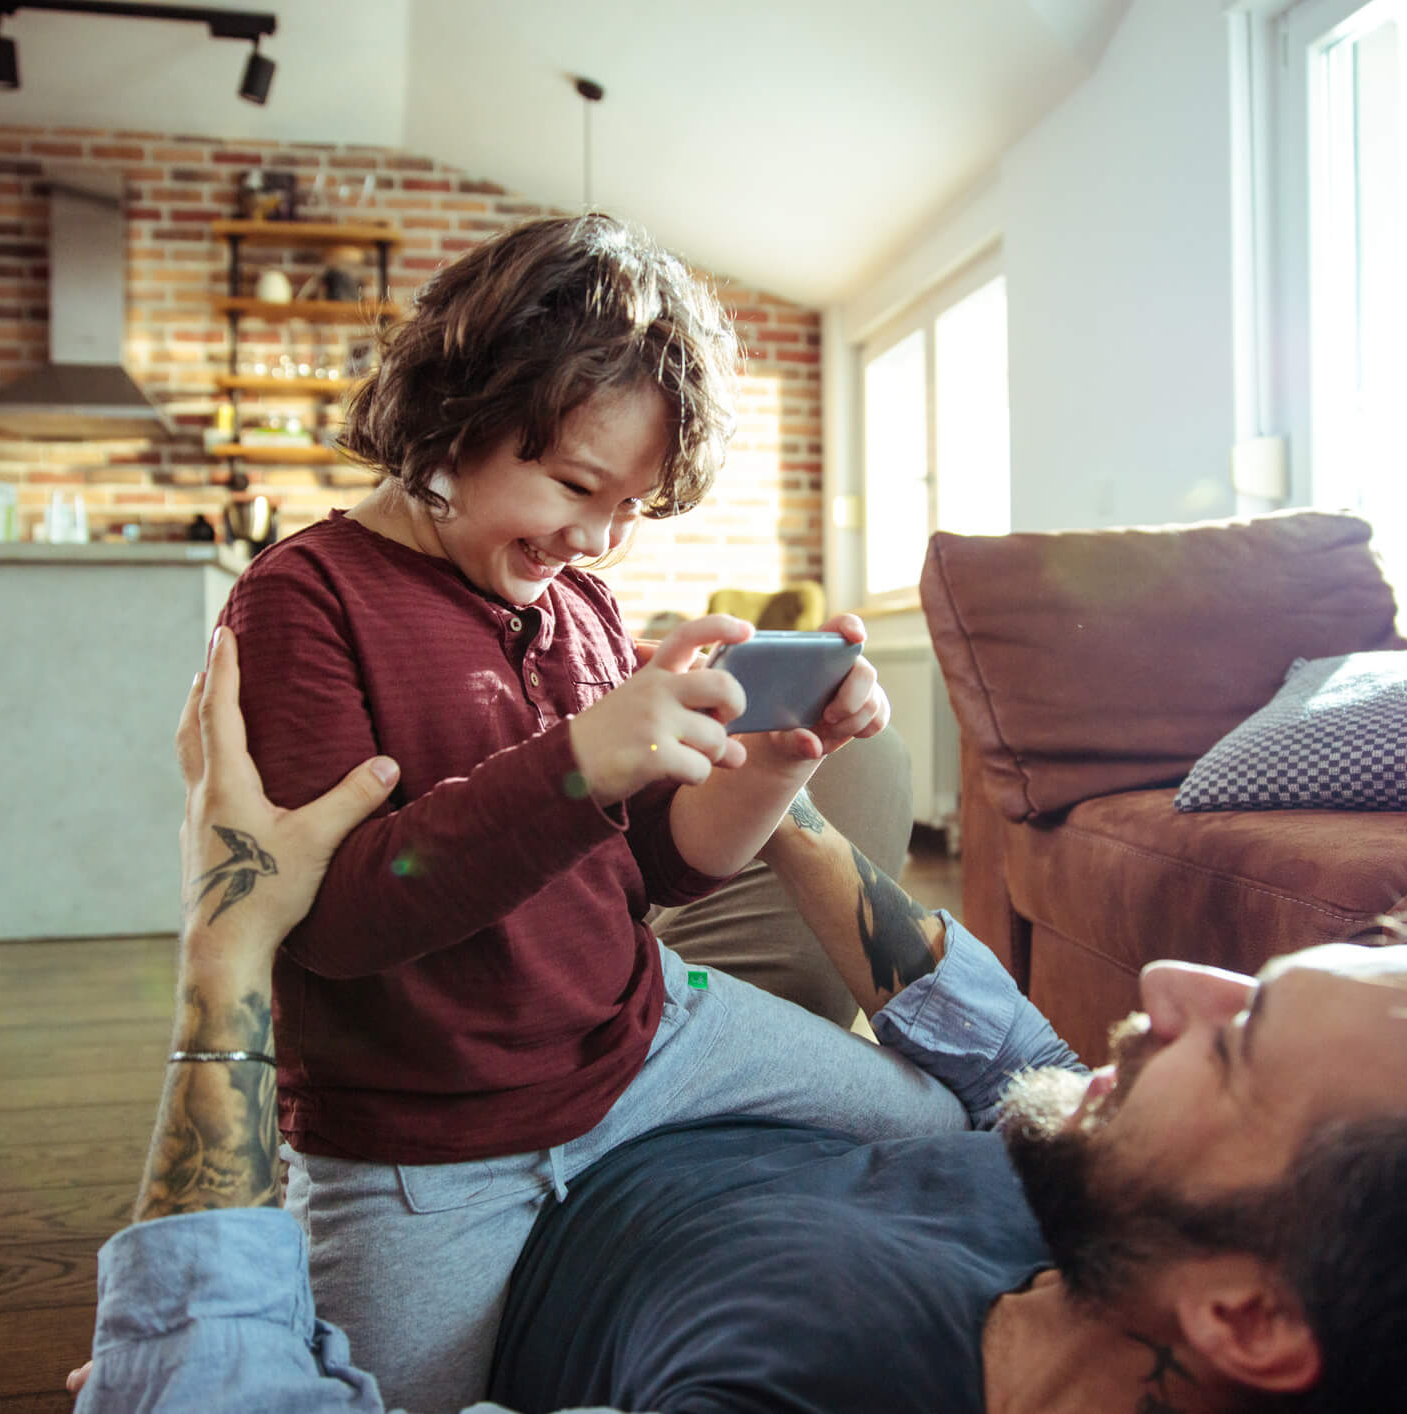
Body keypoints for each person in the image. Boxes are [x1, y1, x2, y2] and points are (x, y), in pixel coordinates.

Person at [73, 630, 1407, 1414]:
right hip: (692, 1029)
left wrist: (230, 949)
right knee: (842, 777)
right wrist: (790, 783)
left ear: (1253, 1315)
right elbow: (1004, 1055)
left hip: (507, 1175)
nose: (1171, 987)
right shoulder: (1125, 1220)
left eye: (1241, 1037)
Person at [215, 213, 966, 1406]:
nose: (598, 538)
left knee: (943, 1129)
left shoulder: (585, 609)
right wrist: (577, 762)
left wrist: (777, 760)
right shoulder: (301, 603)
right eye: (573, 485)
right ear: (450, 413)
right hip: (421, 1144)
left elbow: (653, 872)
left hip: (647, 1038)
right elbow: (336, 924)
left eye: (633, 507)